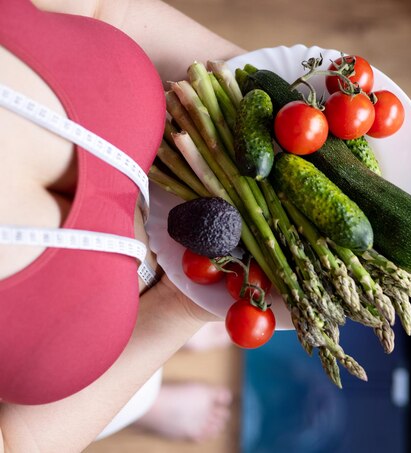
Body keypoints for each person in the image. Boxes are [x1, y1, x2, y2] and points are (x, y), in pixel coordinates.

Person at [0, 0, 245, 450]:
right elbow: (15, 441)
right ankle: (147, 405)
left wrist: (242, 86)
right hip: (102, 354)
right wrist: (180, 309)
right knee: (127, 391)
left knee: (89, 358)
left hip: (113, 321)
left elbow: (106, 6)